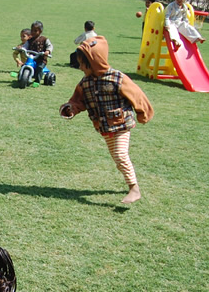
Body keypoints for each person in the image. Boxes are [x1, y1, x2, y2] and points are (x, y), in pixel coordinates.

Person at [59, 36, 154, 204]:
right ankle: (129, 183)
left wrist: (143, 113)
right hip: (104, 127)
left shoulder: (117, 78)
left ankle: (134, 189)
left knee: (120, 154)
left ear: (94, 61)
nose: (80, 67)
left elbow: (137, 95)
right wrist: (71, 109)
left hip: (121, 124)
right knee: (118, 159)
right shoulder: (85, 83)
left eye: (82, 63)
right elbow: (78, 101)